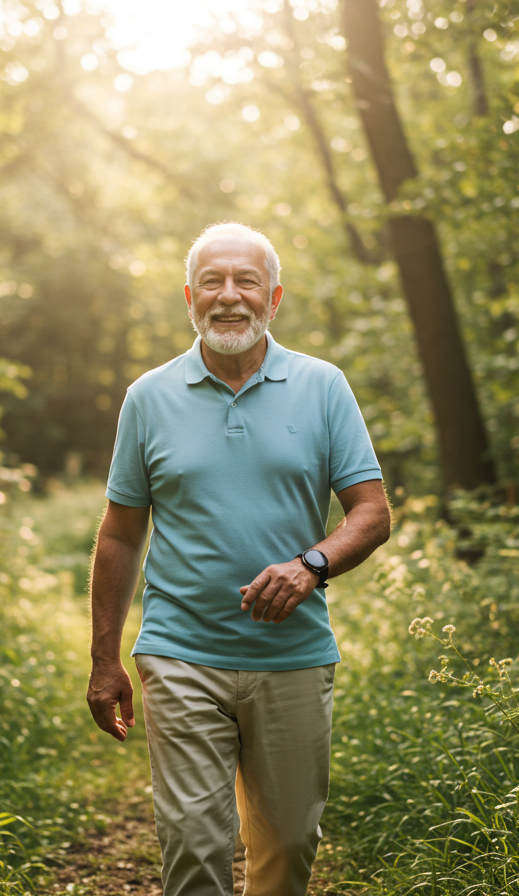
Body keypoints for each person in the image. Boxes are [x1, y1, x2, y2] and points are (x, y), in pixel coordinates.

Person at [86, 222, 391, 896]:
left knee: (287, 845)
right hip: (180, 652)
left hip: (294, 654)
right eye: (212, 282)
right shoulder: (149, 397)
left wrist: (310, 565)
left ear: (273, 297)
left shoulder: (323, 386)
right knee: (195, 843)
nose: (229, 296)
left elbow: (371, 513)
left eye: (246, 281)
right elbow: (120, 534)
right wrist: (104, 659)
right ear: (190, 297)